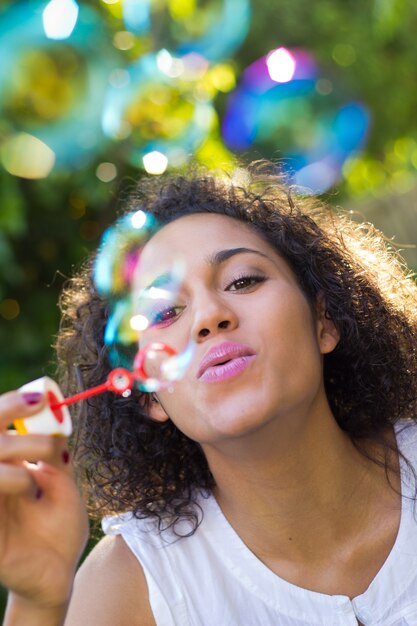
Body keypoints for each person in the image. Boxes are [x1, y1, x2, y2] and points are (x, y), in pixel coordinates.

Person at [1, 162, 417, 626]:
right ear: (148, 396)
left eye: (243, 281)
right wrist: (38, 602)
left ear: (325, 320)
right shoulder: (133, 585)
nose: (209, 317)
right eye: (163, 313)